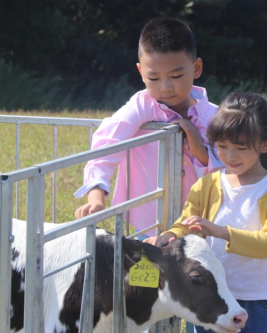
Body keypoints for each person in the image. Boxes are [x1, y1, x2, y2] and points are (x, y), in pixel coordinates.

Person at [144, 92, 267, 333]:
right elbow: (185, 224)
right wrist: (169, 235)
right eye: (222, 146)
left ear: (266, 144)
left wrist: (222, 232)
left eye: (240, 148)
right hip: (209, 297)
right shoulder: (207, 184)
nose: (229, 156)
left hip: (259, 300)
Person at [74, 17, 223, 238]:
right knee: (150, 271)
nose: (166, 87)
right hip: (151, 226)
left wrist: (200, 150)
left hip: (203, 226)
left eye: (176, 75)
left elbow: (233, 169)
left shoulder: (215, 116)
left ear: (197, 68)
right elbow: (107, 146)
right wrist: (96, 196)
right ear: (140, 72)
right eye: (153, 77)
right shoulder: (142, 105)